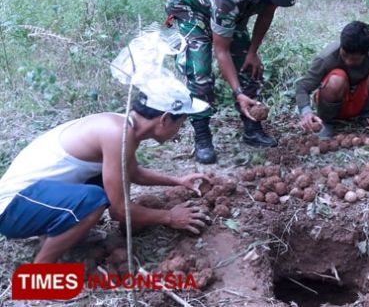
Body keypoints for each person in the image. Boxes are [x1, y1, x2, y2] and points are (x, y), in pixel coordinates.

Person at [0, 88, 213, 263]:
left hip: (32, 201)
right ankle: (40, 272)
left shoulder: (123, 128)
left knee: (104, 184)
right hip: (12, 210)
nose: (180, 130)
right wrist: (169, 217)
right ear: (165, 119)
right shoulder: (117, 133)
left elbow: (131, 172)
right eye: (181, 123)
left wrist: (177, 181)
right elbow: (119, 211)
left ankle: (58, 233)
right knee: (94, 199)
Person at [165, 0, 299, 163]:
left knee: (249, 65)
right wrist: (237, 92)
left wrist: (253, 52)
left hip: (232, 8)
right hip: (192, 7)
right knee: (200, 73)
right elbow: (221, 50)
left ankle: (252, 128)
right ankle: (202, 137)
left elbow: (266, 14)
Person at [295, 21, 369, 138]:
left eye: (354, 59)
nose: (348, 61)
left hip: (361, 100)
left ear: (367, 52)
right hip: (334, 101)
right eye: (344, 55)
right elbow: (303, 87)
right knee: (336, 79)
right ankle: (327, 122)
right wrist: (306, 112)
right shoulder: (326, 57)